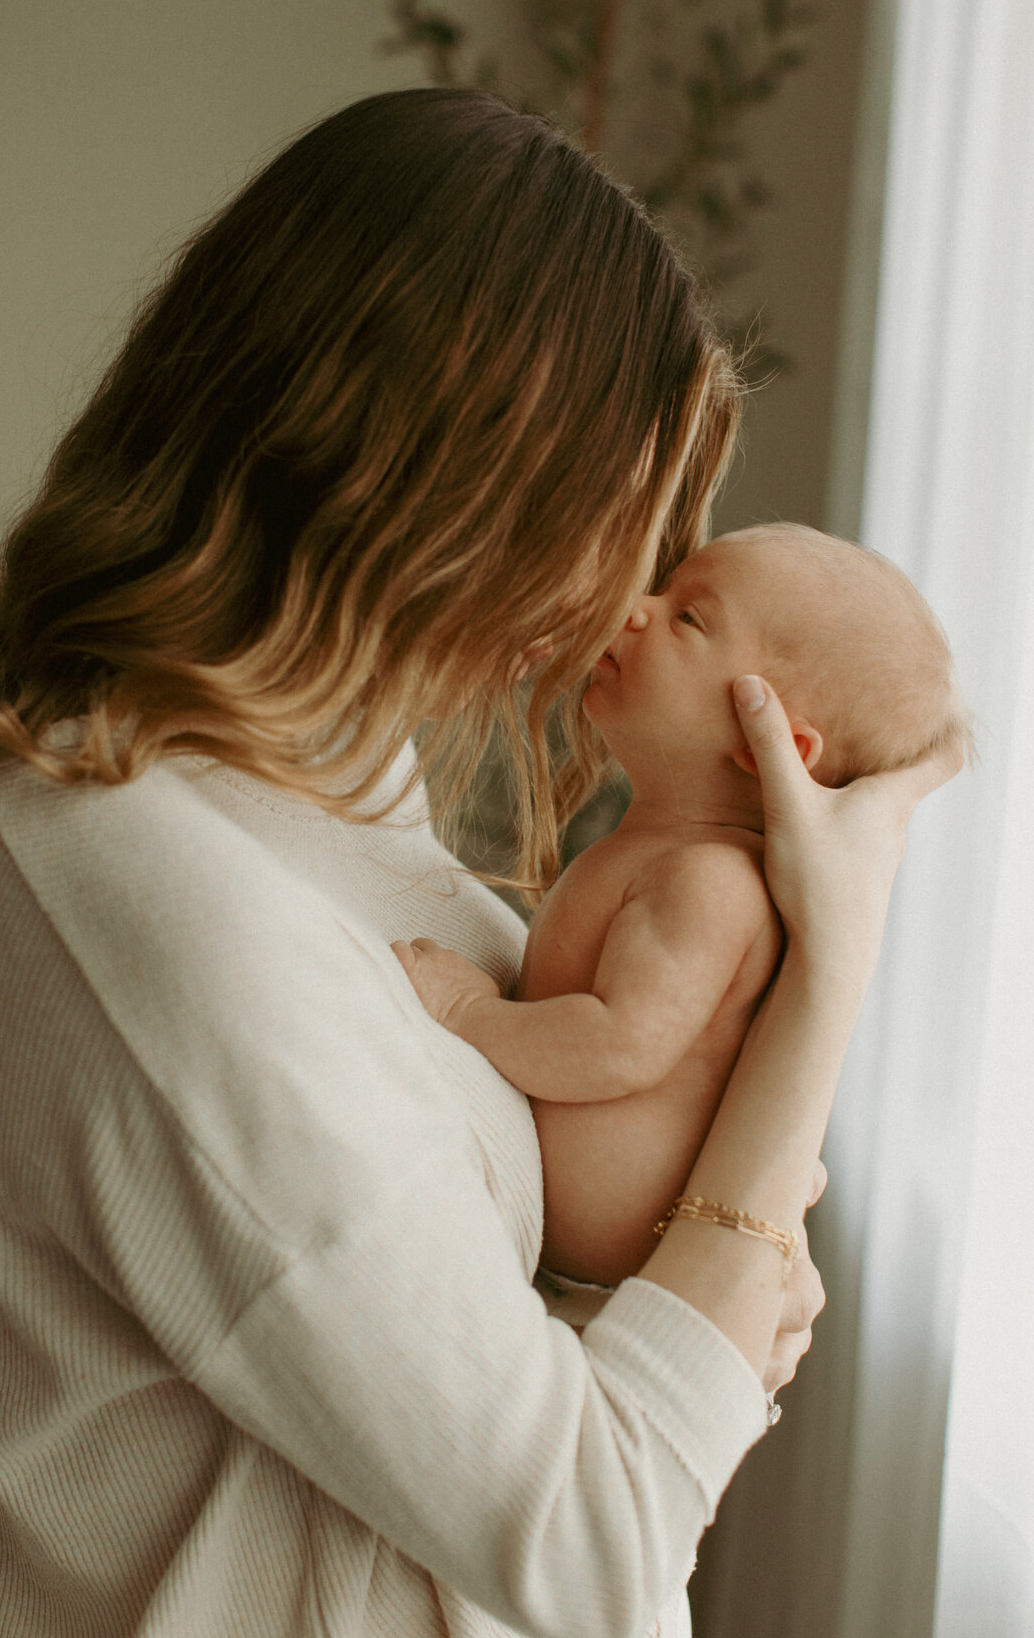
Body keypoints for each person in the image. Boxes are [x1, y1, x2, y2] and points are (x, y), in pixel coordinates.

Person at [0, 89, 958, 1638]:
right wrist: (824, 989)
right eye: (604, 517)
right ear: (433, 475)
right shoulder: (122, 877)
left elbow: (488, 1298)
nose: (613, 587)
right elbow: (599, 1534)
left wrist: (714, 1252)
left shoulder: (339, 778)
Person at [393, 524, 969, 1314]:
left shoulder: (712, 882)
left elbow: (617, 1042)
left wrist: (470, 1012)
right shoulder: (660, 849)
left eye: (689, 618)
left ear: (770, 744)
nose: (634, 607)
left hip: (615, 1279)